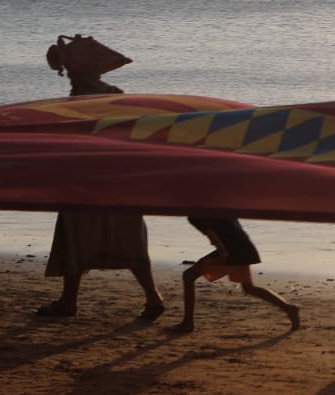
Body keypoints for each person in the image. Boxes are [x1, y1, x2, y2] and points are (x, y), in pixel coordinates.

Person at [36, 35, 167, 321]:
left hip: (87, 181)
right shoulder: (115, 94)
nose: (67, 72)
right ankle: (152, 298)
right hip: (120, 180)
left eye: (70, 68)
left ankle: (69, 301)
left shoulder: (79, 100)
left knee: (74, 238)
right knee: (129, 238)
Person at [174, 215, 300, 335]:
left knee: (188, 276)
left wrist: (219, 257)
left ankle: (188, 323)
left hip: (231, 252)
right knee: (249, 288)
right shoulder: (220, 206)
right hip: (245, 248)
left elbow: (214, 238)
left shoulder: (195, 216)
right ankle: (289, 308)